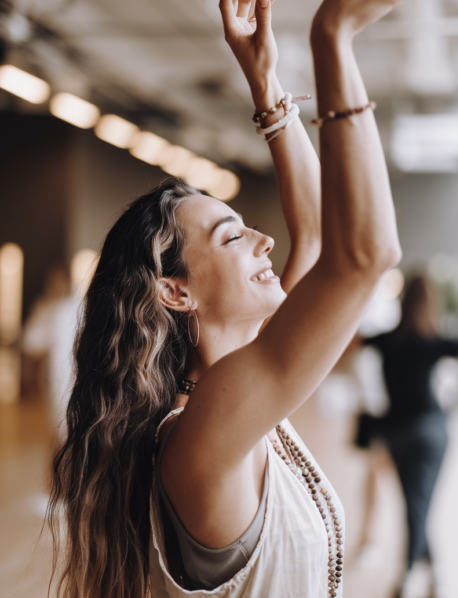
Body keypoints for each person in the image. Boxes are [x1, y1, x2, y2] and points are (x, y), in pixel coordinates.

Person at [48, 0, 402, 596]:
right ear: (175, 291)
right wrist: (332, 36)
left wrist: (267, 83)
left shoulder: (233, 395)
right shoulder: (203, 430)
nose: (265, 240)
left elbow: (317, 233)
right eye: (234, 236)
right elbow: (364, 255)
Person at [355, 274, 458, 597]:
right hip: (433, 431)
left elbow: (347, 342)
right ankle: (434, 574)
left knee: (415, 503)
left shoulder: (385, 340)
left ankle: (409, 574)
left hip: (398, 432)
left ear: (404, 300)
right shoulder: (435, 340)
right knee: (417, 503)